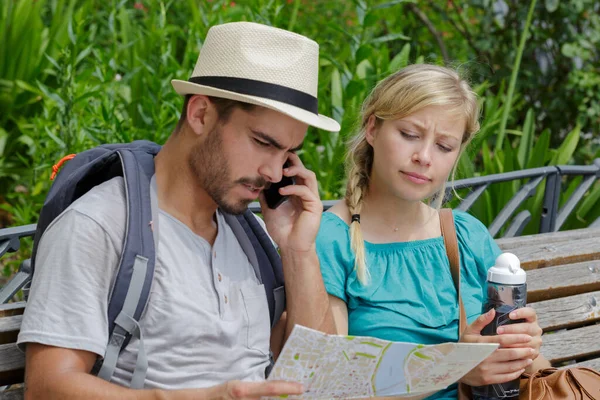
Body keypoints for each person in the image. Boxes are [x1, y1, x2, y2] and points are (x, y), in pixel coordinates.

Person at [18, 22, 339, 399]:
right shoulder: (99, 225)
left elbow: (320, 374)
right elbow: (46, 389)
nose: (272, 172)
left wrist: (297, 250)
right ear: (201, 114)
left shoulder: (249, 236)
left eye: (288, 153)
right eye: (262, 142)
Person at [315, 64, 550, 400]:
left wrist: (523, 348)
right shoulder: (333, 239)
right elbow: (329, 382)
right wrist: (454, 367)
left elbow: (537, 372)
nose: (423, 157)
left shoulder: (466, 236)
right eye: (409, 134)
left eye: (444, 146)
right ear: (372, 128)